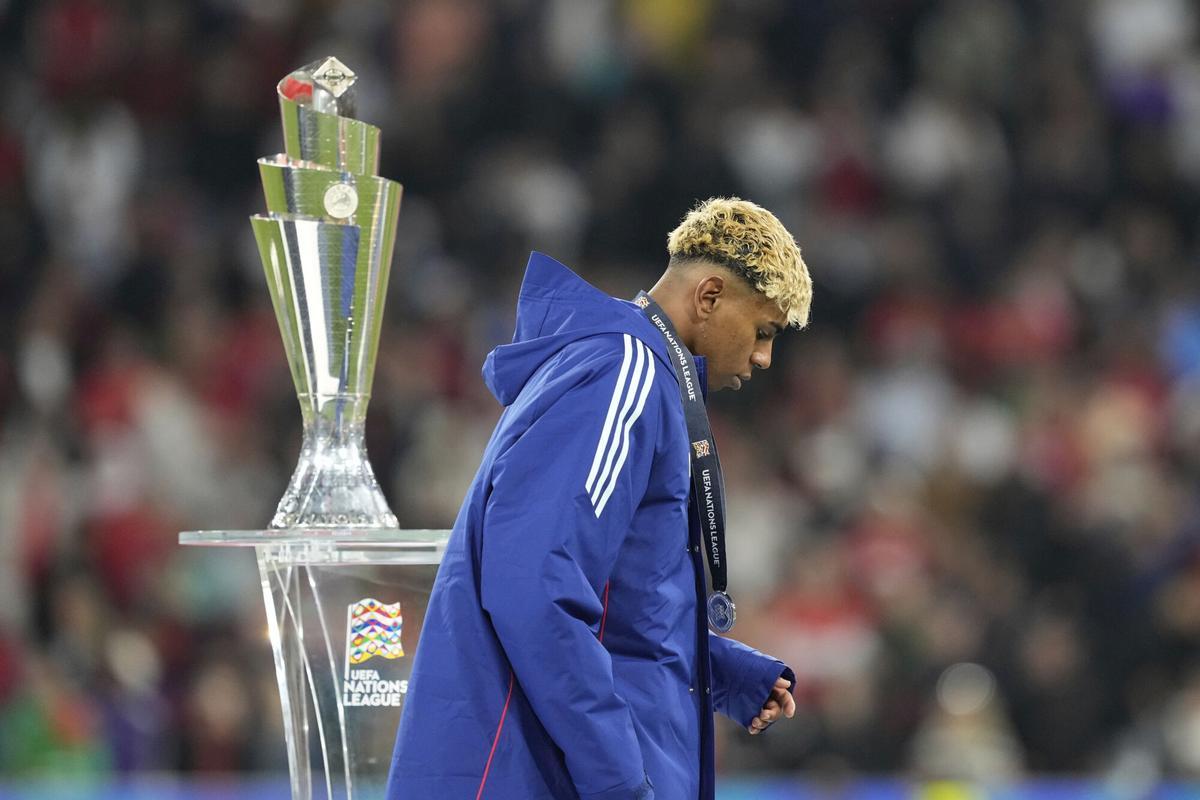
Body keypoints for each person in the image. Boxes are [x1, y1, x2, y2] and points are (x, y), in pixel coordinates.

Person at [386, 197, 812, 799]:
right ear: (710, 296)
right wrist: (619, 783)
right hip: (535, 778)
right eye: (763, 331)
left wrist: (718, 670)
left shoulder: (633, 376)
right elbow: (536, 590)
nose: (764, 357)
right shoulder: (623, 374)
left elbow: (615, 602)